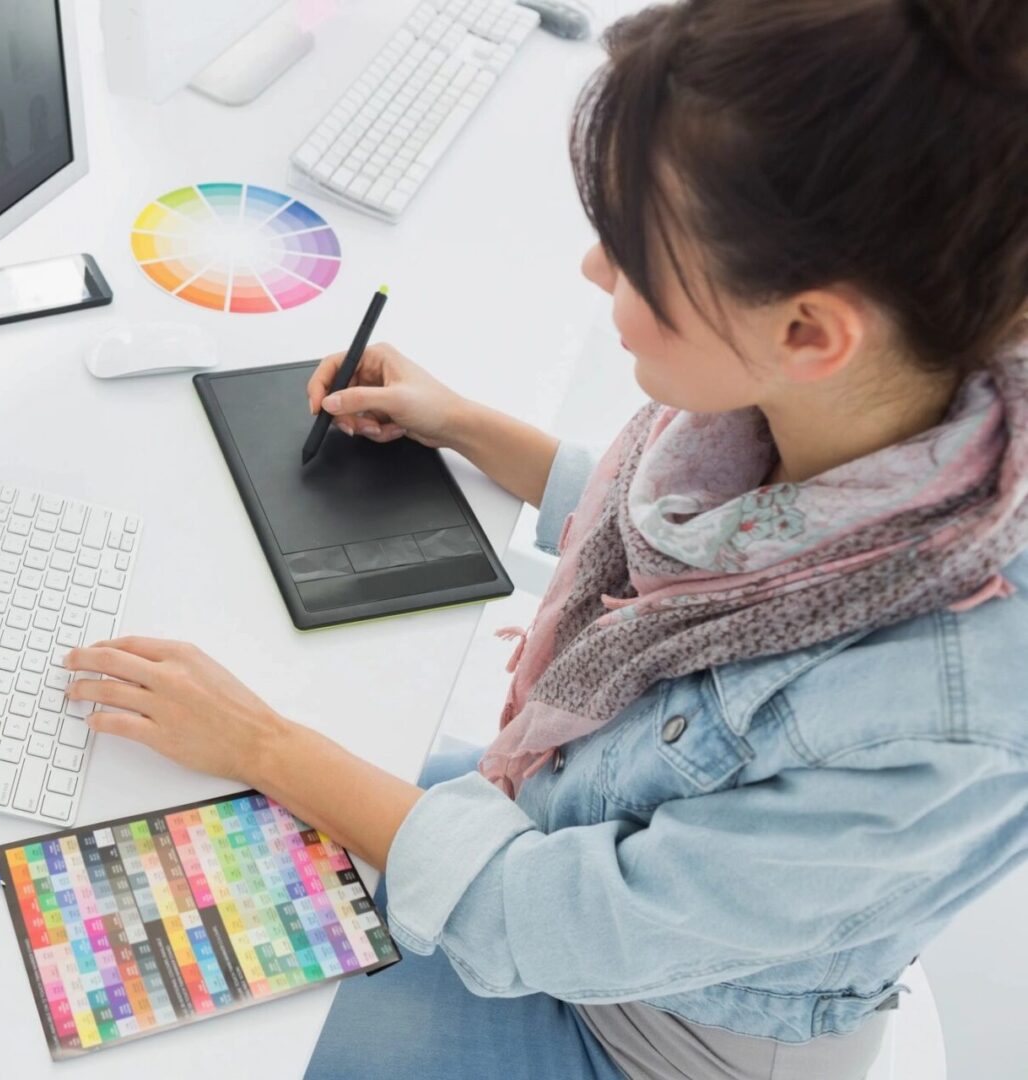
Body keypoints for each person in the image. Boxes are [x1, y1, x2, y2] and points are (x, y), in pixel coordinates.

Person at [62, 2, 1028, 1078]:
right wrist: (464, 424)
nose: (591, 272)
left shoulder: (948, 718)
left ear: (807, 331)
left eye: (631, 252)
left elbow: (545, 918)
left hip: (642, 1024)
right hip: (555, 822)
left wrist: (263, 743)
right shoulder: (875, 399)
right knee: (152, 854)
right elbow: (701, 552)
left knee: (156, 1026)